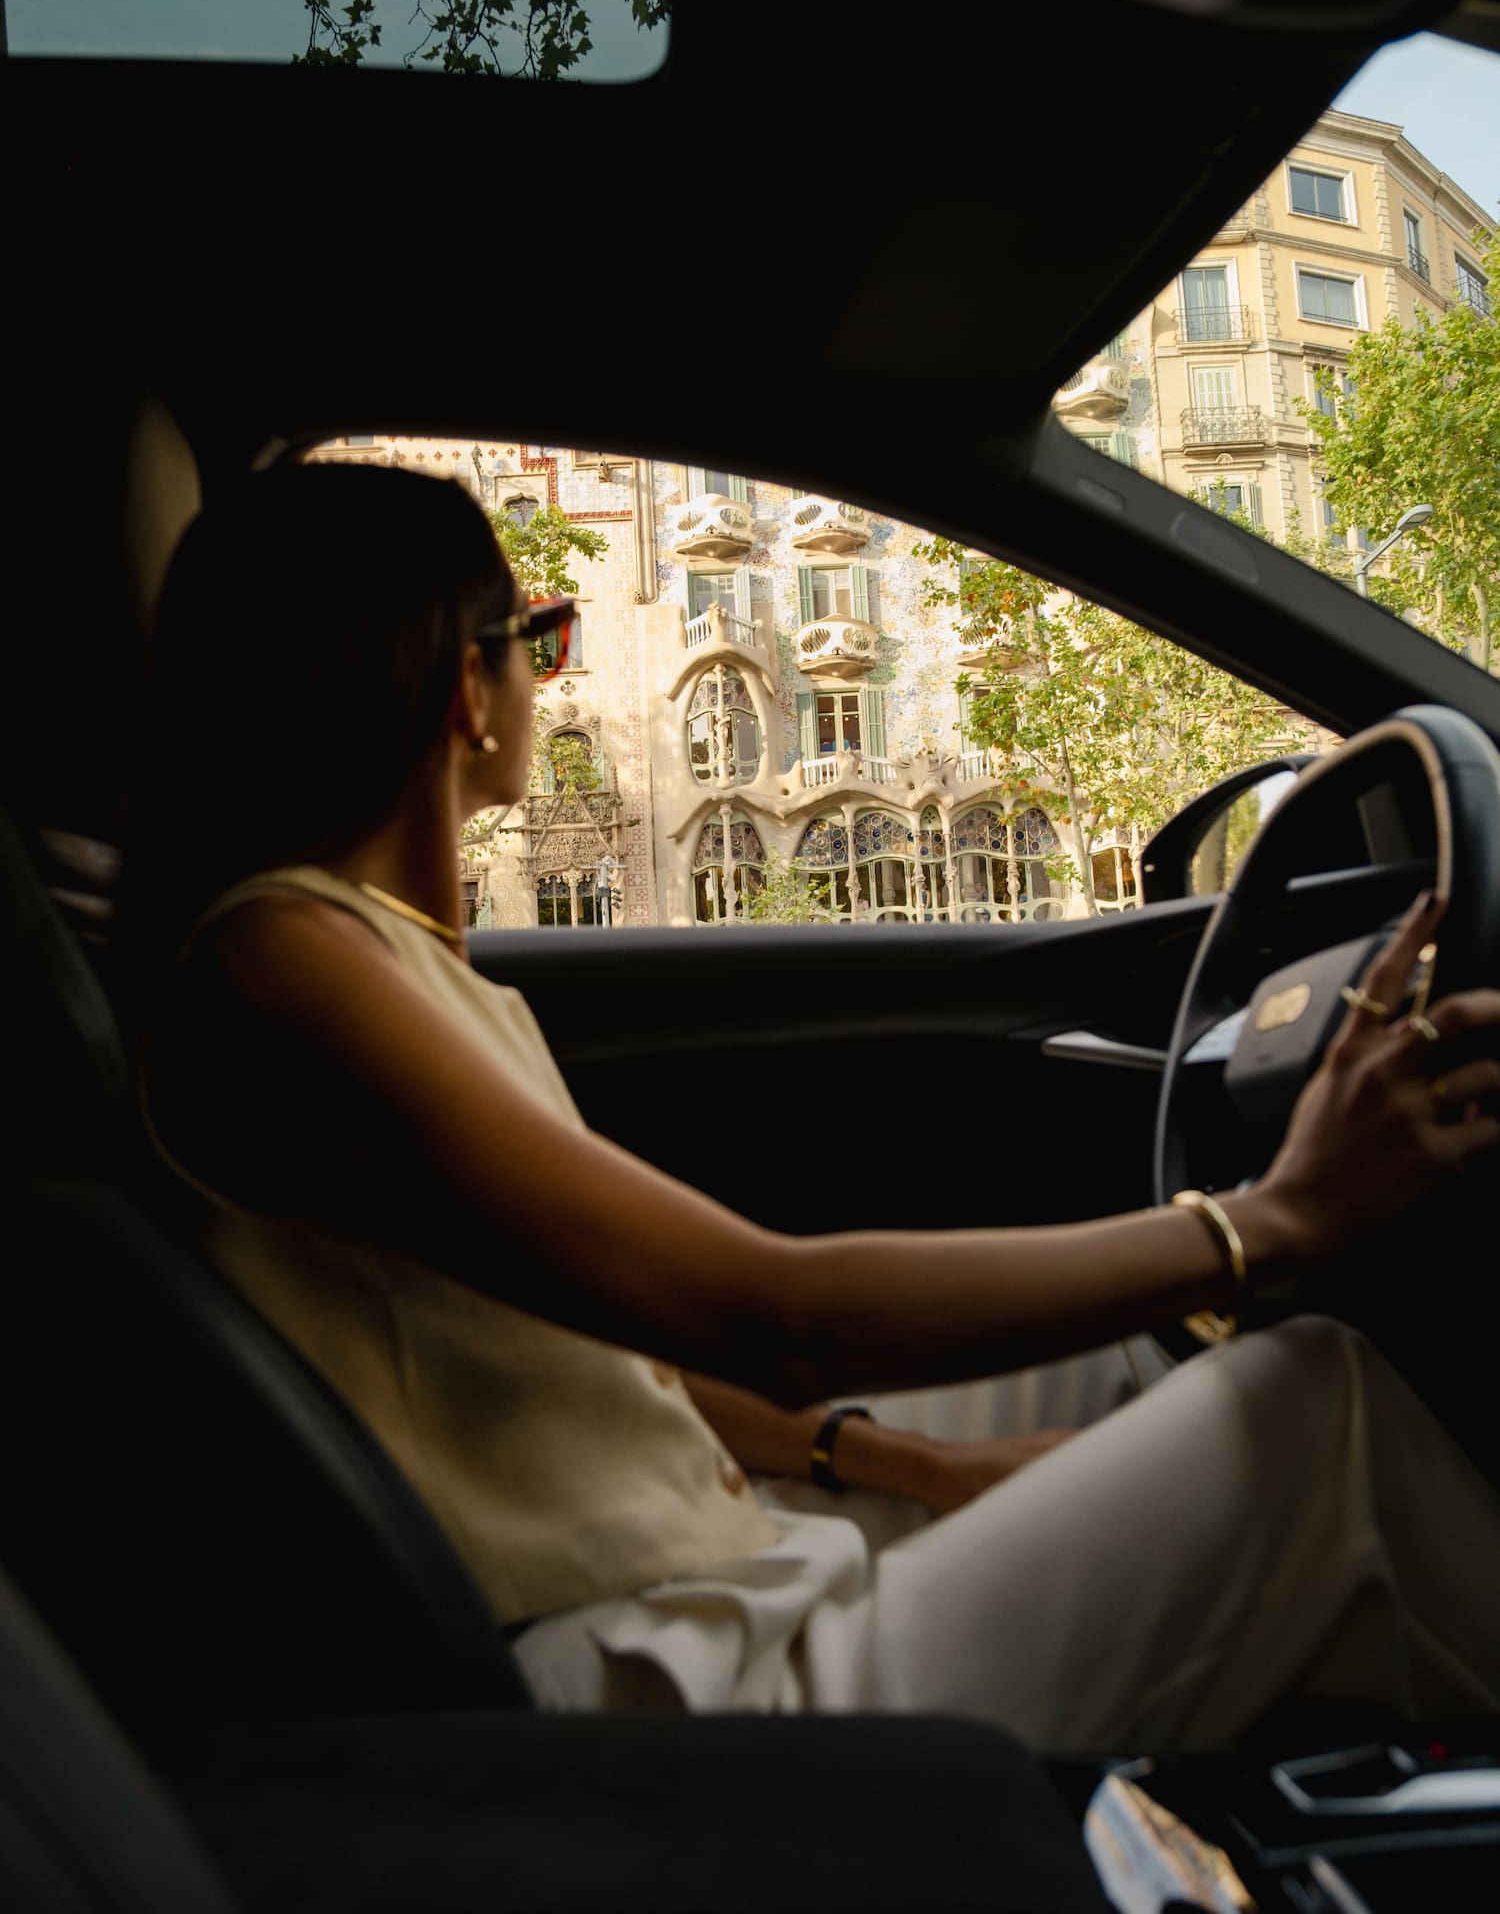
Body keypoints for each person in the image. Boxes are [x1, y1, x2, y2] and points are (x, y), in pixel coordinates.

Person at [123, 463, 1500, 1754]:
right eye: (537, 636)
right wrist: (1272, 1219)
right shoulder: (289, 962)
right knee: (1318, 1414)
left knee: (1129, 1367)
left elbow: (622, 1354)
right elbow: (768, 1318)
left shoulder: (371, 955)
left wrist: (893, 1459)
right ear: (461, 690)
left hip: (703, 1540)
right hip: (658, 1676)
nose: (547, 673)